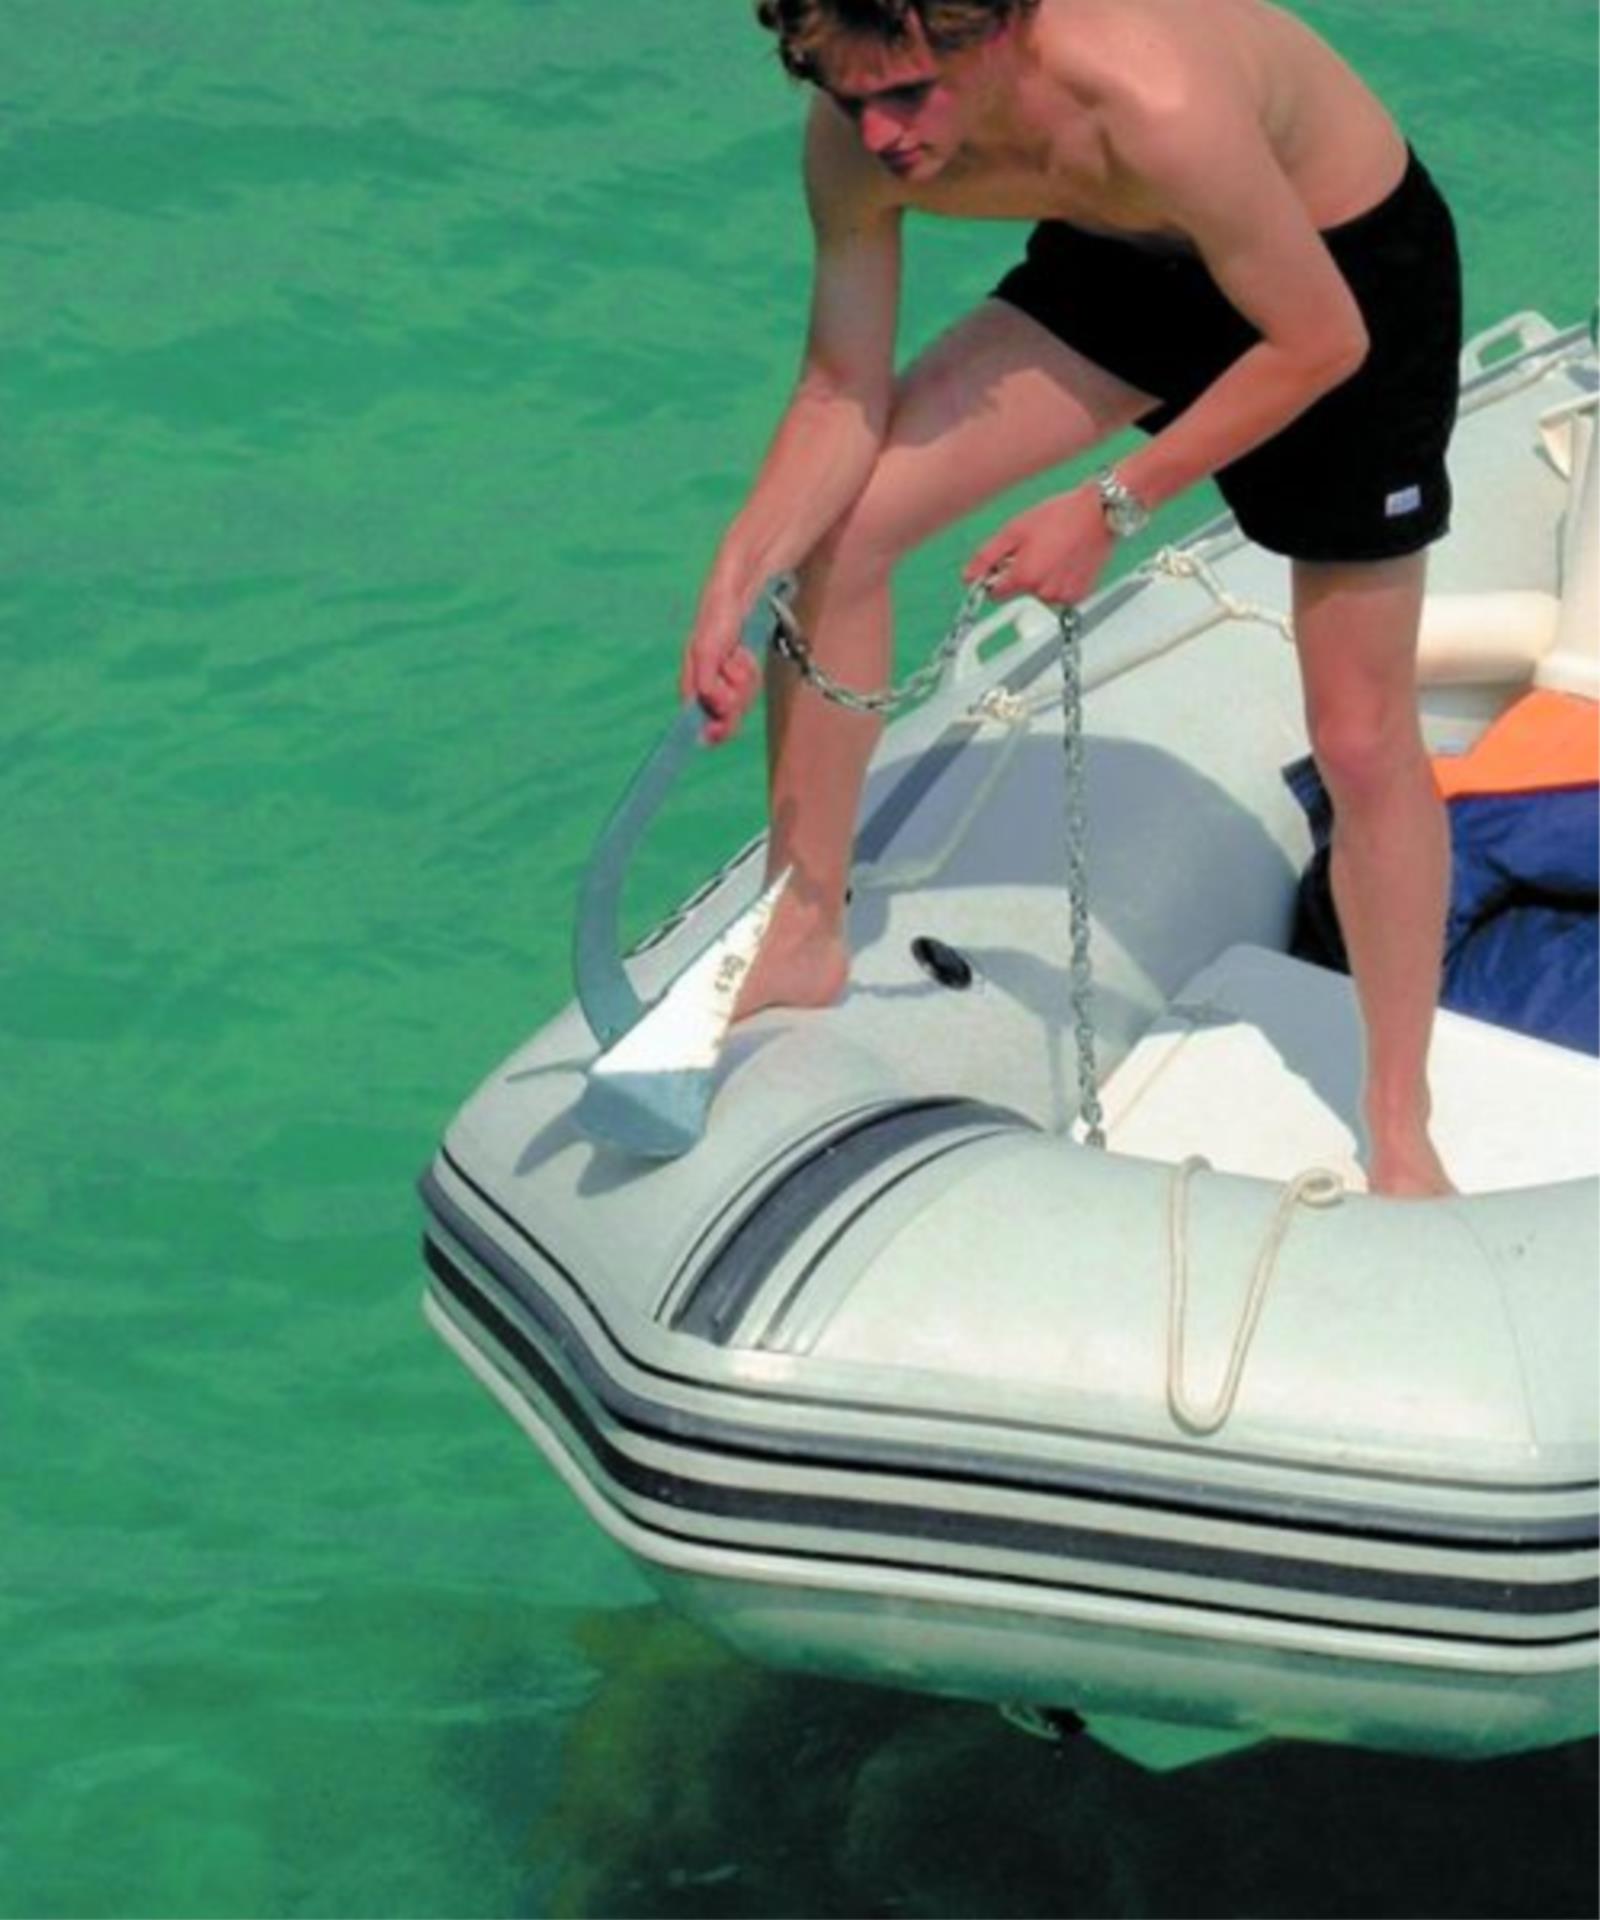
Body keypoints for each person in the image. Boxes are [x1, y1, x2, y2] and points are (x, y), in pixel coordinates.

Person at [677, 0, 1463, 1197]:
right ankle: (804, 925)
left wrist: (1109, 506)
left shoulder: (1153, 101)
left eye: (907, 94)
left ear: (996, 34)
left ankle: (1399, 1123)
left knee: (1358, 740)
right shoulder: (853, 143)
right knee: (841, 532)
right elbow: (839, 391)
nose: (879, 135)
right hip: (1130, 257)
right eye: (850, 98)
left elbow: (1318, 340)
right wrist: (739, 568)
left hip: (1337, 279)